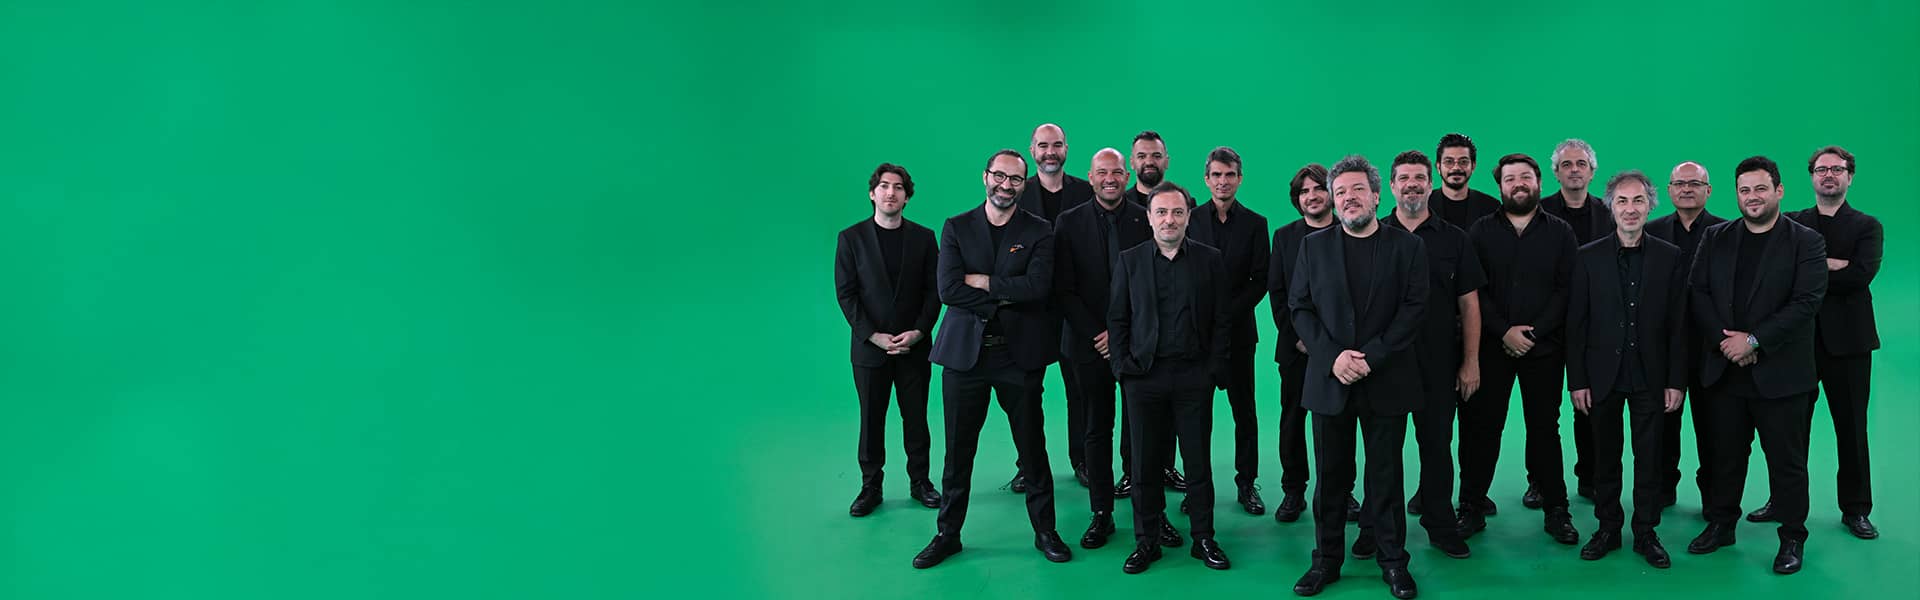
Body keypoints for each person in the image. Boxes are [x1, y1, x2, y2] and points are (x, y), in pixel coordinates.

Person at [913, 150, 1071, 569]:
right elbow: (948, 290)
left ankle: (1045, 531)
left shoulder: (1039, 230)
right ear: (985, 177)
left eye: (1015, 179)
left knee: (1032, 448)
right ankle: (948, 535)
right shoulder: (957, 226)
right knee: (957, 452)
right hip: (964, 357)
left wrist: (984, 281)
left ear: (1024, 184)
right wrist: (1005, 291)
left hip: (1018, 357)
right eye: (1000, 176)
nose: (1006, 185)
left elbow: (1038, 287)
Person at [1287, 155, 1428, 600]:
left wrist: (1372, 357)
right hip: (1331, 380)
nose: (1349, 198)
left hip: (1386, 378)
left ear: (1376, 195)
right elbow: (1299, 308)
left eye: (1357, 189)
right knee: (1330, 477)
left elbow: (1414, 309)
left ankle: (1393, 562)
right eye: (1341, 191)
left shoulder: (1407, 247)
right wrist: (1333, 358)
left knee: (1385, 477)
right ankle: (1326, 562)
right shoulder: (1312, 247)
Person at [1684, 155, 1826, 575]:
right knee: (1724, 456)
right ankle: (1722, 524)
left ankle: (1792, 537)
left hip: (1782, 374)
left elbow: (1807, 301)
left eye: (1760, 188)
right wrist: (1726, 343)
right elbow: (1698, 292)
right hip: (1726, 369)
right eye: (1744, 190)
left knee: (1787, 462)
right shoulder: (1716, 236)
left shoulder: (1806, 241)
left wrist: (1754, 340)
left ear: (1778, 191)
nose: (1752, 197)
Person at [1564, 170, 1688, 568]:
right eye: (1622, 201)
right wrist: (1577, 381)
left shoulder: (1670, 257)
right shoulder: (1587, 256)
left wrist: (1676, 380)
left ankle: (1646, 532)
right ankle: (1608, 528)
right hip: (1601, 375)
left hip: (1652, 377)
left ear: (1650, 206)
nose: (1630, 209)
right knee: (1605, 458)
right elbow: (1576, 324)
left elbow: (1678, 326)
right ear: (1610, 207)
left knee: (1650, 458)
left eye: (1638, 201)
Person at [1109, 181, 1233, 574]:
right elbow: (1118, 319)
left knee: (1197, 462)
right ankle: (1146, 541)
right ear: (1149, 218)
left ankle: (1203, 538)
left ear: (1188, 217)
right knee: (1144, 464)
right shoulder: (1130, 261)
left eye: (1177, 212)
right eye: (1161, 212)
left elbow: (1222, 320)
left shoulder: (1210, 260)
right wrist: (1123, 369)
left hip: (1194, 376)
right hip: (1144, 377)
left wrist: (1212, 371)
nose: (1169, 220)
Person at [1457, 153, 1580, 546]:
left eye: (1525, 177)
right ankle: (1471, 507)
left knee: (1544, 429)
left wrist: (1533, 333)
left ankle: (1557, 510)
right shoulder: (1479, 231)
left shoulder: (1560, 232)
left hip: (1543, 349)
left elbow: (1566, 290)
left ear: (1539, 182)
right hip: (1491, 348)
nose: (1518, 184)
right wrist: (1504, 331)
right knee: (1482, 428)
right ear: (1500, 186)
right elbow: (1473, 291)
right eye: (1510, 179)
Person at [1765, 145, 1882, 540]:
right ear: (1811, 176)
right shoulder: (1792, 222)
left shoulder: (1867, 226)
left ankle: (1856, 509)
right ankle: (1782, 501)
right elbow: (1780, 274)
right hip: (1797, 342)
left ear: (1850, 176)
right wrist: (1831, 264)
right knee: (1788, 430)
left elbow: (1859, 276)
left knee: (1852, 429)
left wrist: (1811, 268)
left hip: (1849, 344)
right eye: (1821, 169)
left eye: (1837, 169)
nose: (1829, 175)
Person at [1380, 150, 1484, 560]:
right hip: (1386, 364)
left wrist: (1471, 361)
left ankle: (1440, 525)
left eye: (1420, 178)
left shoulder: (1454, 238)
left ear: (1430, 183)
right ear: (1392, 186)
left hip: (1439, 362)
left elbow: (1469, 304)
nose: (1412, 185)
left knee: (1438, 447)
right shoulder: (1374, 234)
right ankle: (1379, 527)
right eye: (1404, 178)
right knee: (1384, 452)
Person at [1052, 148, 1151, 549]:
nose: (1110, 178)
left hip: (1137, 342)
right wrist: (1100, 332)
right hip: (1086, 341)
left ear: (1127, 177)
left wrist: (1122, 333)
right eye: (1102, 173)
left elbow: (1150, 284)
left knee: (1142, 429)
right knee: (1096, 428)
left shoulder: (1145, 218)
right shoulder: (1068, 222)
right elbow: (1063, 288)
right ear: (1090, 178)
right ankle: (1101, 513)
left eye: (1116, 172)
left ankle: (1150, 512)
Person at [835, 163, 942, 517]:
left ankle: (921, 482)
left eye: (898, 187)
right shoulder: (851, 239)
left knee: (916, 418)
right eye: (883, 186)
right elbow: (847, 294)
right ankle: (871, 487)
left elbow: (934, 291)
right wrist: (873, 336)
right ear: (872, 193)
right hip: (870, 350)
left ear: (907, 197)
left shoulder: (924, 238)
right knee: (871, 420)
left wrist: (919, 331)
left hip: (914, 346)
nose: (890, 192)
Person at [1269, 164, 1360, 524]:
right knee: (1293, 419)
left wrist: (1330, 348)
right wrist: (1302, 339)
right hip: (1297, 350)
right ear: (1297, 199)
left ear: (1332, 194)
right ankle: (1293, 489)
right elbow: (1278, 295)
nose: (1312, 196)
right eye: (1304, 191)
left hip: (1340, 352)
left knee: (1342, 421)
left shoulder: (1350, 230)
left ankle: (1343, 490)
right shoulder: (1285, 237)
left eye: (1318, 189)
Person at [1188, 146, 1273, 515]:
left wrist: (1226, 313)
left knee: (1245, 413)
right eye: (1216, 175)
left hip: (1239, 334)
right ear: (1206, 180)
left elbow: (1261, 279)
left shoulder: (1256, 223)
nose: (1223, 181)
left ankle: (1247, 483)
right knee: (1195, 416)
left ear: (1240, 179)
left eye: (1230, 175)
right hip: (1196, 336)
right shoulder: (1189, 218)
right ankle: (1196, 488)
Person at [1644, 160, 1727, 510]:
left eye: (1695, 183)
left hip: (1712, 346)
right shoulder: (1651, 231)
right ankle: (1662, 490)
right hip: (1663, 347)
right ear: (1669, 191)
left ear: (1708, 190)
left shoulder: (1727, 232)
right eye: (1679, 184)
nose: (1687, 189)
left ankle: (1714, 499)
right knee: (1662, 427)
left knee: (1714, 429)